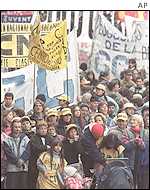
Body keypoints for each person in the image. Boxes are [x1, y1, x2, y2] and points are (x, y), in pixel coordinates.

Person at [3, 117, 30, 189]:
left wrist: (22, 160)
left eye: (19, 127)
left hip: (23, 168)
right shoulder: (7, 140)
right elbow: (8, 153)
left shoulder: (26, 139)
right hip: (12, 169)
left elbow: (27, 151)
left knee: (23, 186)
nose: (17, 129)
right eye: (15, 127)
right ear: (12, 127)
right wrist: (17, 161)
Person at [28, 120, 51, 189]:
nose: (43, 130)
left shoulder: (50, 137)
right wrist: (46, 147)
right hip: (35, 164)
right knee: (35, 183)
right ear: (37, 130)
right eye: (41, 129)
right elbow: (35, 148)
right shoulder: (33, 138)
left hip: (47, 164)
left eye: (45, 129)